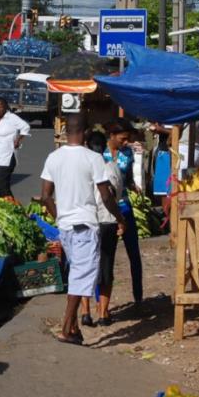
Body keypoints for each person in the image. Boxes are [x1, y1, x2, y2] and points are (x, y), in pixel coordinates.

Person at [40, 114, 125, 345]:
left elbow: (46, 196)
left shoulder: (53, 157)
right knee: (81, 277)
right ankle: (67, 327)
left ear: (66, 131)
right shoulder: (94, 158)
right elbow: (106, 196)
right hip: (85, 225)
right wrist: (119, 218)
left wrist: (60, 218)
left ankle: (74, 327)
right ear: (85, 132)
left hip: (65, 227)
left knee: (76, 274)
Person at [79, 131, 123, 327]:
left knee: (84, 267)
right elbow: (116, 196)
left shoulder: (80, 171)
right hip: (107, 222)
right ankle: (104, 313)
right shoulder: (112, 168)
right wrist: (121, 219)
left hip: (86, 223)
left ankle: (85, 311)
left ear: (87, 146)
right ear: (104, 147)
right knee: (105, 267)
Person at [103, 120, 146, 304]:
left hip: (124, 206)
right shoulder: (98, 153)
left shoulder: (127, 153)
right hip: (104, 210)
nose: (126, 142)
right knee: (105, 257)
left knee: (134, 253)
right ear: (112, 135)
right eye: (123, 138)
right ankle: (101, 303)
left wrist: (132, 185)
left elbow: (127, 177)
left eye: (128, 139)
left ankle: (138, 297)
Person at [0, 97, 30, 198]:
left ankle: (14, 208)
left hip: (8, 156)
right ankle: (4, 207)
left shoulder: (12, 118)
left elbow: (25, 127)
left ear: (6, 107)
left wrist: (18, 139)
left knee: (4, 187)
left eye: (0, 107)